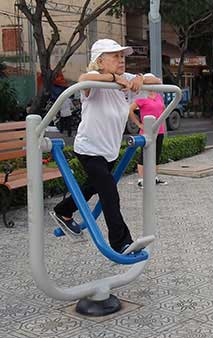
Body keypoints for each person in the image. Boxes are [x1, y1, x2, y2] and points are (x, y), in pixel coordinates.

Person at [51, 38, 161, 254]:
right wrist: (113, 78)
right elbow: (84, 78)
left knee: (93, 187)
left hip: (109, 151)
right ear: (100, 61)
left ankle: (63, 211)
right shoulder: (96, 82)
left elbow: (155, 79)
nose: (121, 60)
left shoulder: (127, 79)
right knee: (109, 193)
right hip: (89, 149)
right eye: (115, 56)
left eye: (122, 56)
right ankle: (121, 243)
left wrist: (139, 78)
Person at [128, 90, 168, 188]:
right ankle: (142, 179)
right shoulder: (142, 97)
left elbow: (163, 111)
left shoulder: (158, 96)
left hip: (159, 130)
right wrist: (139, 124)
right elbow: (130, 110)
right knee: (144, 156)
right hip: (147, 131)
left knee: (156, 154)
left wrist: (164, 127)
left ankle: (154, 177)